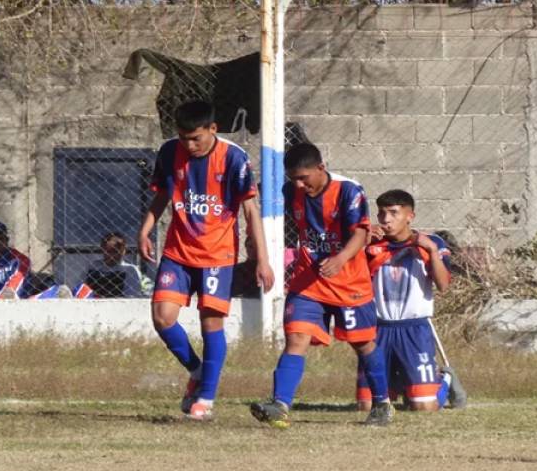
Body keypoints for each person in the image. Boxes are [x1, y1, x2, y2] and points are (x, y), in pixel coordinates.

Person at [139, 99, 274, 421]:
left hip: (217, 254)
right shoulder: (170, 153)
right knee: (162, 317)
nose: (190, 145)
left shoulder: (233, 159)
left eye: (196, 138)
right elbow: (161, 195)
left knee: (211, 323)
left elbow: (250, 209)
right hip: (178, 251)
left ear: (213, 129)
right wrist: (144, 230)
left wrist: (262, 259)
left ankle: (206, 400)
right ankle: (197, 371)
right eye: (184, 138)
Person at [250, 143, 393, 428]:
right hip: (309, 279)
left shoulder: (349, 191)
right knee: (296, 338)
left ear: (321, 168)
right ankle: (280, 404)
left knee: (363, 343)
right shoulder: (292, 192)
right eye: (294, 179)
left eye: (304, 177)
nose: (300, 185)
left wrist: (340, 258)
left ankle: (382, 403)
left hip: (348, 280)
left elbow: (360, 233)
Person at [354, 190, 461, 412]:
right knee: (366, 406)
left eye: (393, 213)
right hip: (378, 329)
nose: (386, 220)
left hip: (414, 329)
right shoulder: (372, 245)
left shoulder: (429, 243)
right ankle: (401, 385)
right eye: (382, 213)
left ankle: (444, 380)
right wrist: (360, 247)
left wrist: (431, 251)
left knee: (425, 408)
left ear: (410, 215)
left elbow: (443, 285)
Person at [74, 232, 145, 298]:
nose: (110, 255)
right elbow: (80, 287)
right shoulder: (93, 266)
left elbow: (132, 296)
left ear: (123, 251)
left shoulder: (129, 270)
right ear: (102, 249)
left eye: (114, 251)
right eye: (108, 251)